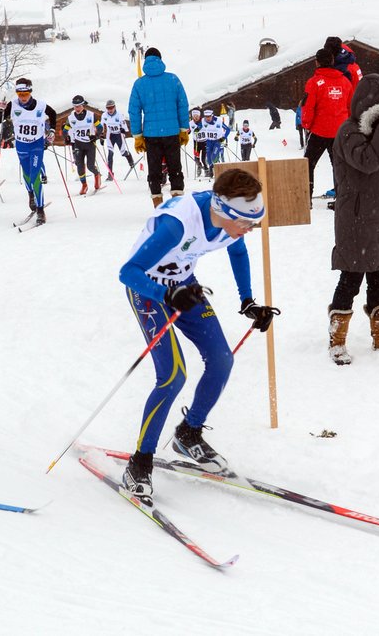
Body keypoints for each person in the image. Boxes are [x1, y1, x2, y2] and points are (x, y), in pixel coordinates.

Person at [116, 168, 278, 503]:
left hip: (184, 286)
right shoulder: (178, 223)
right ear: (223, 211)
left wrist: (247, 301)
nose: (251, 228)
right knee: (173, 375)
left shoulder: (232, 222)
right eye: (248, 222)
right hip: (147, 290)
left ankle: (188, 433)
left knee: (221, 359)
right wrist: (165, 295)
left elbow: (237, 251)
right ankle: (140, 462)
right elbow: (127, 272)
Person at [327, 74, 379, 365]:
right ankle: (337, 342)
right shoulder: (349, 133)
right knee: (350, 281)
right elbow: (368, 162)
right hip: (356, 222)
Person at [128, 47, 189, 208]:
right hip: (172, 133)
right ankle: (177, 206)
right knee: (175, 168)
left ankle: (158, 207)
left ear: (146, 61)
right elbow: (182, 105)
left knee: (154, 171)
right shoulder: (173, 79)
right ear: (160, 59)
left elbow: (134, 111)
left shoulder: (139, 84)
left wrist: (137, 135)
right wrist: (183, 129)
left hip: (151, 135)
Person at [0, 78, 57, 225]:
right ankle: (31, 195)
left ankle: (40, 210)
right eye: (19, 93)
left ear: (30, 92)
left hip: (36, 144)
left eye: (25, 93)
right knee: (27, 175)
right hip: (21, 145)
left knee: (35, 176)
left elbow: (53, 114)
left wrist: (52, 130)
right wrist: (0, 110)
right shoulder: (12, 105)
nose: (22, 97)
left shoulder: (41, 105)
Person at [301, 48, 353, 199]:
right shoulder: (345, 82)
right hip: (339, 132)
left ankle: (306, 198)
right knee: (339, 166)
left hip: (319, 131)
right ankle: (343, 197)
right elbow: (350, 107)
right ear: (332, 62)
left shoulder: (314, 82)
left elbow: (308, 106)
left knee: (308, 165)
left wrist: (306, 124)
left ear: (316, 62)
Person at [63, 95, 103, 195]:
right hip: (78, 144)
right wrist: (67, 137)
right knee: (79, 166)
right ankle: (84, 185)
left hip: (90, 144)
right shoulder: (71, 117)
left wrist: (96, 136)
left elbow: (100, 127)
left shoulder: (91, 115)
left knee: (90, 166)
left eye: (79, 106)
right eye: (75, 106)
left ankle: (97, 174)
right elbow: (65, 130)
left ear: (83, 105)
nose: (77, 108)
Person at [101, 99, 135, 179]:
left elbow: (124, 127)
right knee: (110, 155)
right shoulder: (104, 115)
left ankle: (130, 158)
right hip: (110, 135)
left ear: (115, 107)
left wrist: (123, 130)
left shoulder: (119, 115)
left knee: (123, 153)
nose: (110, 110)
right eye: (108, 108)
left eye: (112, 107)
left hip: (119, 135)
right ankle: (110, 174)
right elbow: (102, 126)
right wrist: (101, 135)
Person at [199, 109, 230, 178]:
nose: (207, 118)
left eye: (209, 116)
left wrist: (223, 138)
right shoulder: (203, 121)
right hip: (208, 141)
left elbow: (228, 129)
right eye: (206, 116)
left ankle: (217, 166)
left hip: (217, 141)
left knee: (214, 157)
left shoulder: (218, 121)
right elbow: (197, 129)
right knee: (209, 158)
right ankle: (211, 170)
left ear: (212, 115)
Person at [188, 107, 206, 177]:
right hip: (196, 143)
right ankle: (199, 167)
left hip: (205, 142)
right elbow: (188, 131)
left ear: (199, 116)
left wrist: (197, 129)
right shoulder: (190, 123)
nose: (195, 118)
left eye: (197, 116)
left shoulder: (204, 121)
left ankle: (206, 169)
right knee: (196, 158)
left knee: (204, 159)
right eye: (194, 116)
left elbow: (201, 126)